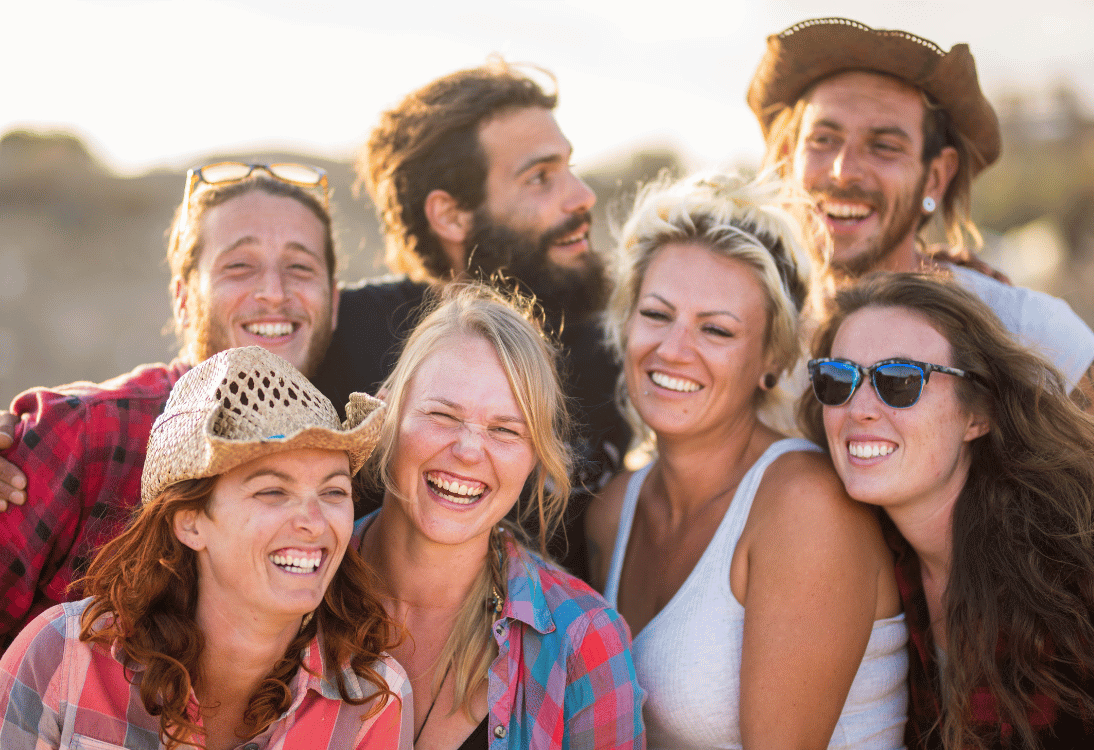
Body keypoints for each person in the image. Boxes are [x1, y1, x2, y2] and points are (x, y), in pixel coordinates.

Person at [586, 171, 907, 749]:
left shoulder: (806, 506)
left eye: (716, 330)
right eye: (657, 315)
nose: (673, 349)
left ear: (773, 358)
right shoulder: (613, 512)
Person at [0, 346, 412, 750]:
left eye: (334, 491)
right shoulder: (61, 658)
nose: (314, 520)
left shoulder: (372, 703)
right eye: (272, 491)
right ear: (190, 522)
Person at [313, 59, 629, 581]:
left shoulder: (613, 351)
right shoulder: (347, 336)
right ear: (452, 215)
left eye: (570, 168)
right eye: (541, 178)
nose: (581, 196)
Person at [0, 163, 340, 648]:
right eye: (239, 266)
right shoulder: (82, 434)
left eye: (301, 268)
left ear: (334, 305)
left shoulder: (344, 468)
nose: (273, 292)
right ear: (182, 299)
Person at [800, 272, 1094, 749]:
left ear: (977, 414)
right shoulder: (871, 558)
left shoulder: (1072, 566)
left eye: (899, 381)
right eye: (837, 378)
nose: (859, 409)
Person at [748, 17, 1094, 416]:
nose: (843, 170)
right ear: (787, 159)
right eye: (823, 140)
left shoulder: (1025, 331)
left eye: (883, 146)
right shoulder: (740, 333)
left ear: (935, 178)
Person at [353, 283, 645, 749]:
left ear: (535, 457)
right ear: (387, 412)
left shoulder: (584, 642)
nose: (469, 451)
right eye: (443, 415)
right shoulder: (301, 587)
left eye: (505, 429)